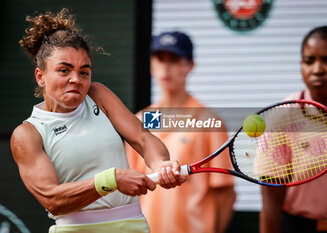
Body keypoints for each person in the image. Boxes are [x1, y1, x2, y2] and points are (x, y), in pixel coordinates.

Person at [10, 9, 185, 233]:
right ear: (40, 76)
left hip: (133, 227)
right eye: (64, 70)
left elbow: (142, 138)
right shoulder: (27, 134)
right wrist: (110, 180)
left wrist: (160, 163)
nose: (76, 79)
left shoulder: (98, 94)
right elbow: (52, 198)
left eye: (84, 72)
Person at [125, 31, 236, 233]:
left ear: (189, 65)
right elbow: (128, 192)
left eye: (174, 59)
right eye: (160, 59)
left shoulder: (209, 122)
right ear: (151, 64)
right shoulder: (139, 121)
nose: (166, 67)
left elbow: (224, 193)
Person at [260, 25, 327, 233]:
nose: (317, 69)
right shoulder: (281, 117)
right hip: (295, 226)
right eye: (309, 61)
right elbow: (271, 203)